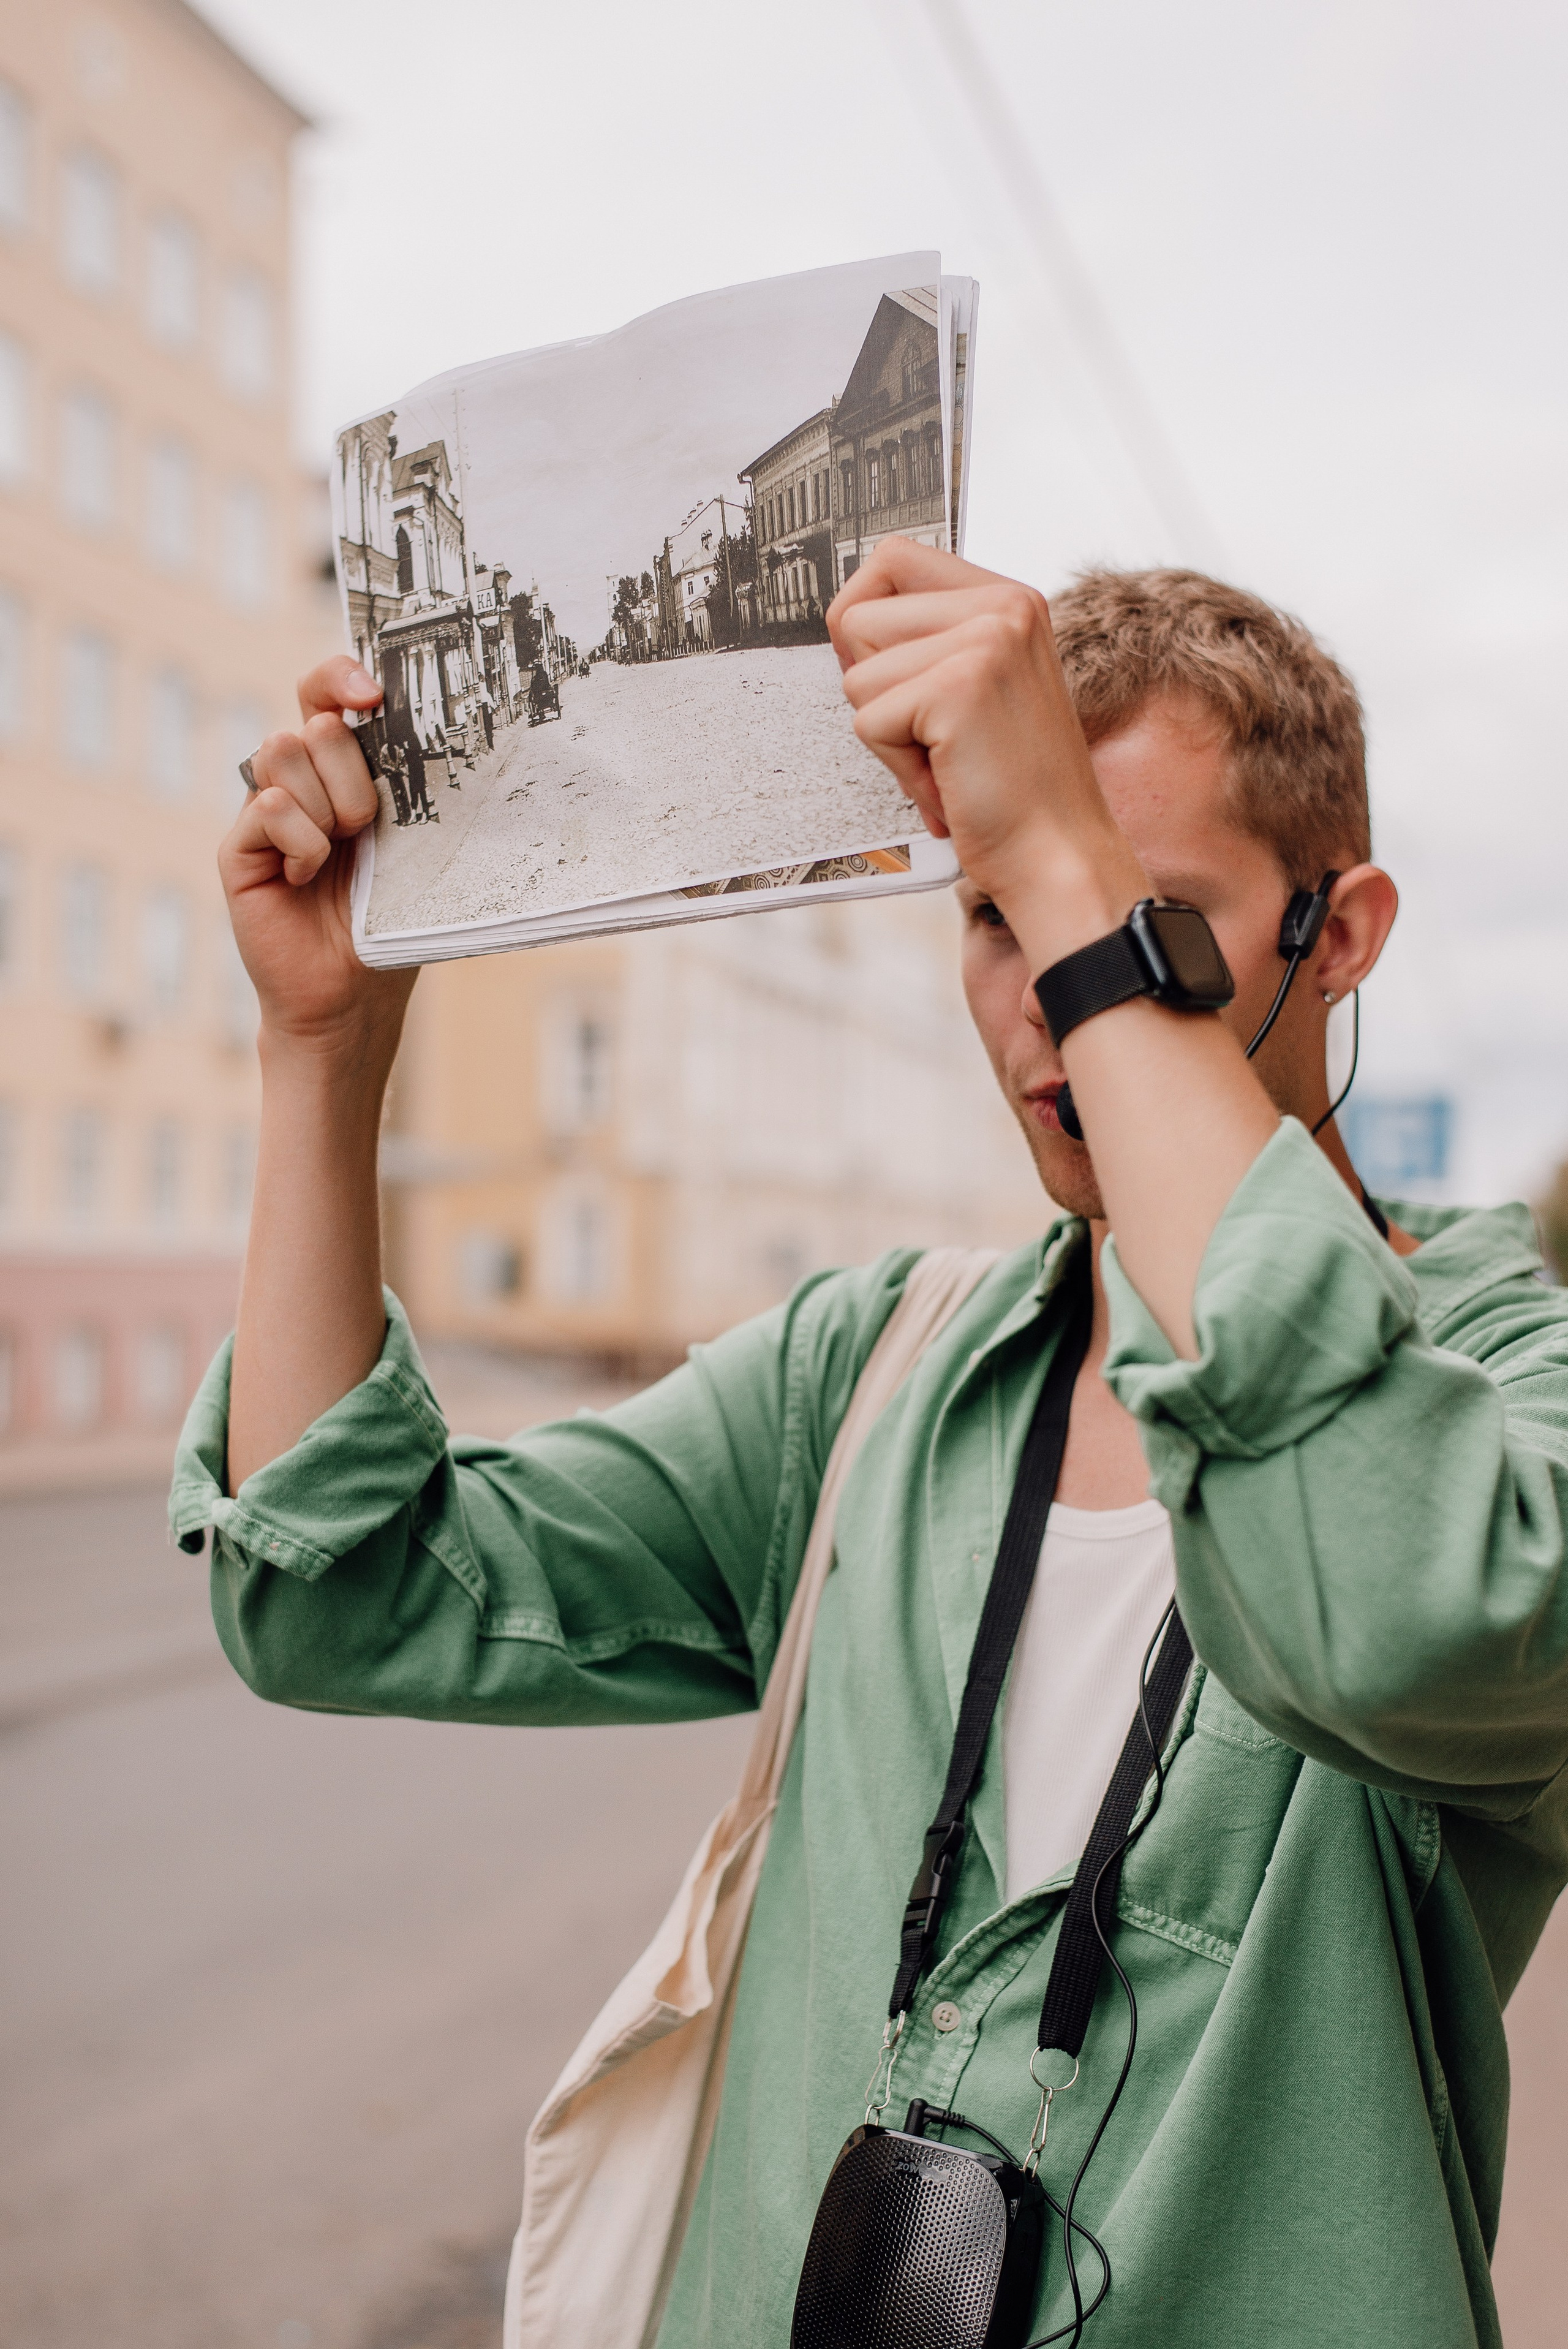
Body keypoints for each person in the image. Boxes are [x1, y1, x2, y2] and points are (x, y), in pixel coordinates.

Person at [175, 546, 1568, 2349]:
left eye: (1136, 911)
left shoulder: (1506, 1397)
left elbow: (1388, 1604)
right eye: (990, 917)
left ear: (1344, 931)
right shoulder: (875, 1372)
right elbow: (337, 1589)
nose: (1046, 991)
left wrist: (1058, 861)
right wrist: (321, 1048)